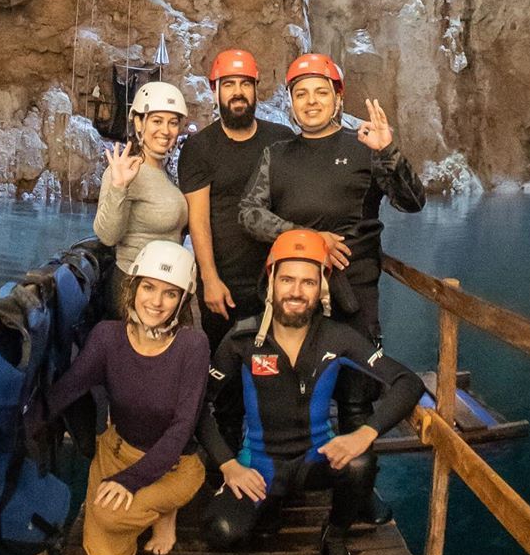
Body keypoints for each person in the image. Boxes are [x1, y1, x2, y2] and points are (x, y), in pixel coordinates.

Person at [198, 229, 424, 555]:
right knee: (222, 532)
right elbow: (200, 405)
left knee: (360, 463)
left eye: (308, 282)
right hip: (259, 465)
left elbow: (408, 382)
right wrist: (228, 466)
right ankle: (270, 502)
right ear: (270, 280)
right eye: (287, 279)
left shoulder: (340, 338)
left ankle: (333, 537)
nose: (296, 291)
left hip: (315, 460)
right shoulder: (242, 338)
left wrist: (364, 433)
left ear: (323, 287)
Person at [37, 241, 208, 555]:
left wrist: (129, 481)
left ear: (183, 300)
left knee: (108, 515)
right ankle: (143, 509)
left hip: (175, 465)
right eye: (149, 287)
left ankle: (164, 510)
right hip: (117, 451)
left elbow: (182, 428)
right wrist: (17, 424)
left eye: (170, 293)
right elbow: (69, 388)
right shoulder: (107, 337)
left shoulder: (192, 345)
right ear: (133, 286)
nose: (156, 302)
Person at [238, 53, 425, 344]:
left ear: (338, 98)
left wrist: (388, 153)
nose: (311, 101)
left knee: (356, 382)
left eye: (321, 92)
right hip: (294, 293)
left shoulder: (366, 147)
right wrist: (308, 238)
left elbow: (412, 202)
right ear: (292, 102)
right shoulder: (275, 155)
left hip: (353, 293)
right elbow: (249, 213)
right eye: (301, 94)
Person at [177, 48, 294, 354]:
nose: (238, 93)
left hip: (275, 278)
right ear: (215, 91)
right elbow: (198, 219)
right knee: (225, 371)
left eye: (245, 84)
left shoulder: (281, 139)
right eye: (228, 85)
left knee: (273, 370)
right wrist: (210, 278)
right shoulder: (199, 148)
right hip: (224, 282)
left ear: (256, 89)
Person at [94, 81, 189, 316]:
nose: (165, 131)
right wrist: (118, 186)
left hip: (165, 285)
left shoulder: (166, 173)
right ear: (138, 122)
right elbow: (107, 236)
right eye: (157, 121)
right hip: (133, 287)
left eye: (173, 122)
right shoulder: (126, 170)